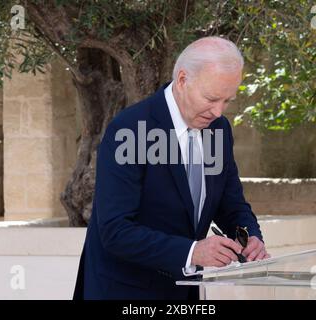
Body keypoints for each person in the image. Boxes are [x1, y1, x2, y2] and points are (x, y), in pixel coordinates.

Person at [73, 36, 269, 300]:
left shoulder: (217, 130)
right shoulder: (130, 130)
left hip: (184, 294)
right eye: (211, 98)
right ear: (182, 80)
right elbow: (115, 230)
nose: (218, 112)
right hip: (124, 292)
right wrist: (192, 252)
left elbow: (231, 205)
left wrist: (250, 238)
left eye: (227, 101)